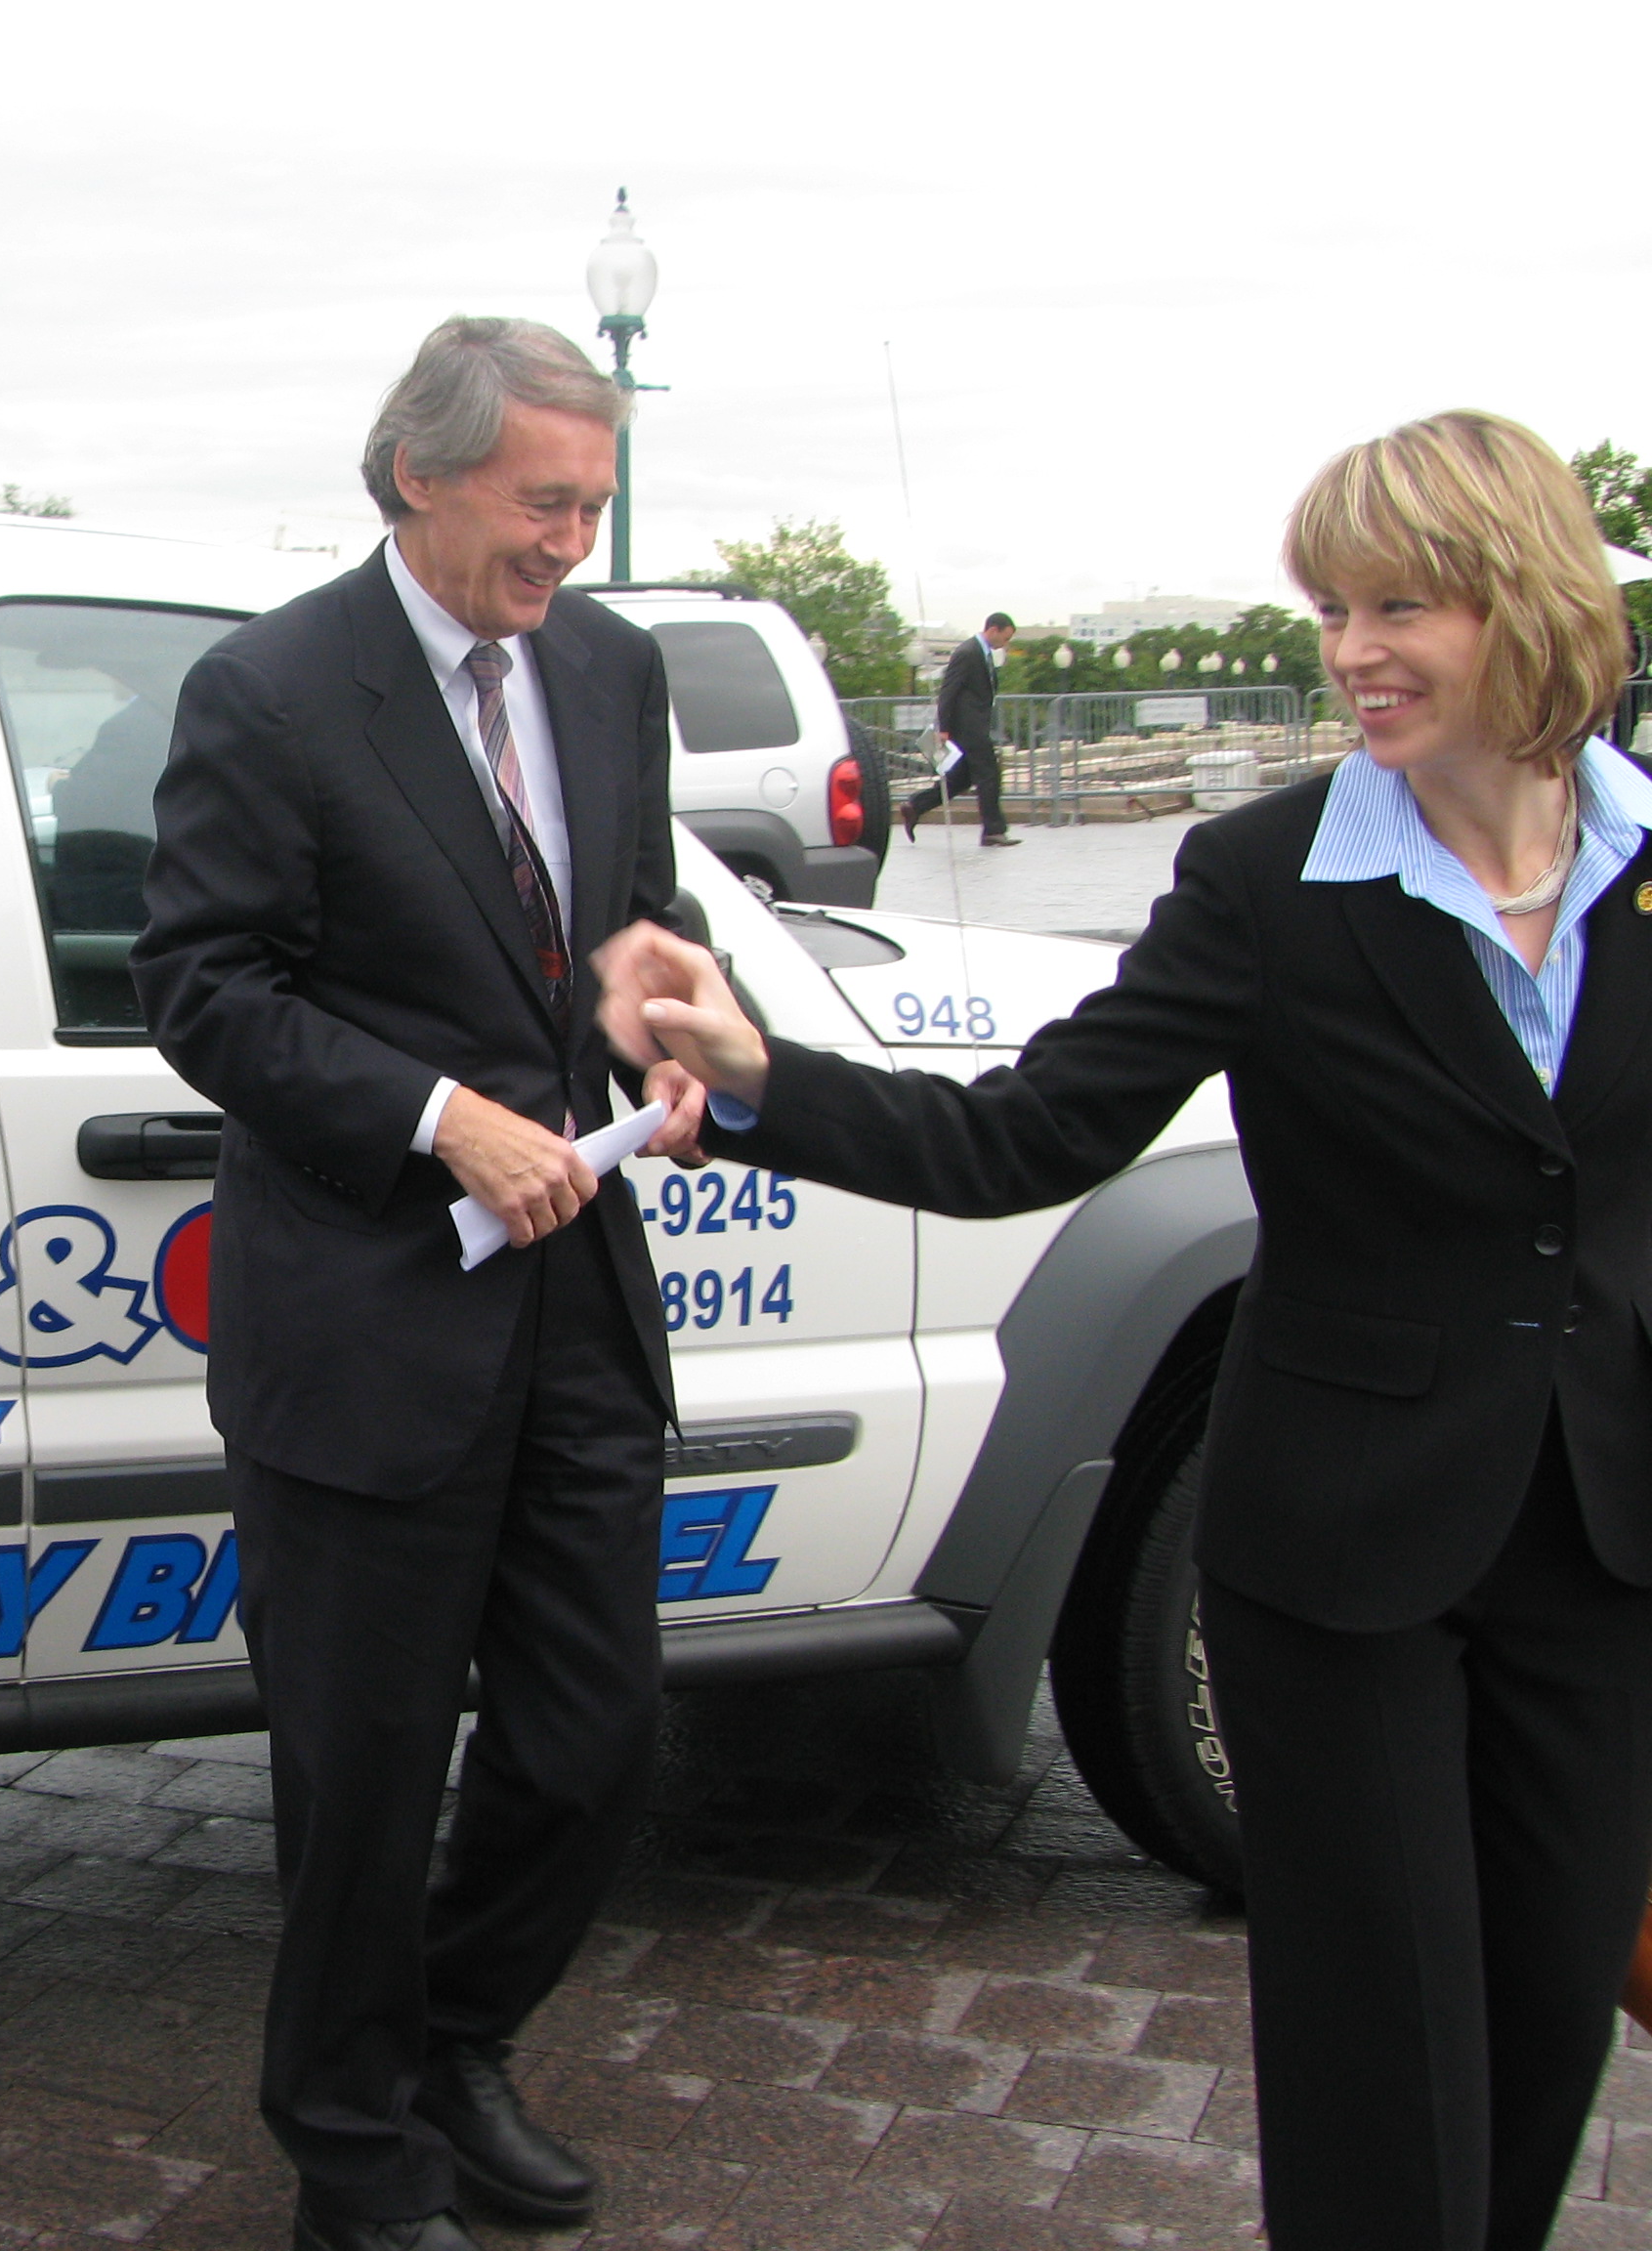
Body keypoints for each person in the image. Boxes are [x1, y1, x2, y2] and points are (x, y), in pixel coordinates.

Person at [594, 410, 1652, 2251]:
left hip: (1600, 1534)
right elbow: (1025, 1136)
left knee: (1552, 2013)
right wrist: (757, 1077)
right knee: (1385, 2050)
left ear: (1526, 600)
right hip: (1345, 1553)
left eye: (1398, 606)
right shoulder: (1266, 880)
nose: (1350, 651)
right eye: (1330, 609)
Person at [134, 316, 706, 2251]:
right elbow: (202, 986)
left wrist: (663, 1021)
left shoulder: (611, 670)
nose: (570, 542)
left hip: (578, 1309)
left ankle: (455, 2039)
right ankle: (353, 2150)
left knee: (593, 1736)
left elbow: (631, 916)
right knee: (366, 1776)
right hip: (369, 1324)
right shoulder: (272, 690)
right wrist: (439, 1115)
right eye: (542, 502)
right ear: (419, 475)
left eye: (592, 504)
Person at [903, 612, 1017, 843]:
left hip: (973, 725)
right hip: (968, 727)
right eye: (1005, 638)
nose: (1005, 644)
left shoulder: (981, 653)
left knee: (961, 778)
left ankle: (916, 806)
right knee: (989, 775)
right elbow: (949, 690)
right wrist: (944, 727)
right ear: (993, 630)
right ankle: (993, 831)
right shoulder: (968, 652)